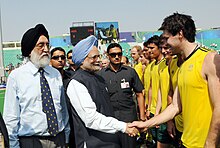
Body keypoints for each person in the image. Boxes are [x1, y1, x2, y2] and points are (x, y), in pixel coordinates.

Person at [130, 13, 220, 147]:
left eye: (167, 38)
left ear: (180, 34)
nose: (165, 44)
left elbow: (219, 107)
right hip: (186, 142)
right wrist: (145, 124)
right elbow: (175, 106)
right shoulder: (180, 64)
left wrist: (210, 143)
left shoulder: (209, 59)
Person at [3, 24, 70, 148]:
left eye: (47, 45)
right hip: (31, 141)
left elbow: (62, 109)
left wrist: (66, 137)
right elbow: (11, 118)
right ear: (30, 50)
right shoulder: (17, 77)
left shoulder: (55, 74)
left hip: (58, 139)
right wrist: (13, 145)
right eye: (41, 45)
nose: (46, 49)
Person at [66, 35, 138, 148]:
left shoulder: (98, 78)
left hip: (111, 140)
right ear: (82, 59)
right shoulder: (76, 83)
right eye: (94, 57)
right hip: (93, 143)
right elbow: (91, 119)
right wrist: (123, 127)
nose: (98, 60)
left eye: (99, 56)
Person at [98, 43, 146, 148]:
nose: (116, 57)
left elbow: (139, 94)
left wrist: (142, 117)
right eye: (113, 54)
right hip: (110, 118)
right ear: (107, 55)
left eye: (119, 54)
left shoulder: (130, 72)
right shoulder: (101, 75)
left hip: (128, 117)